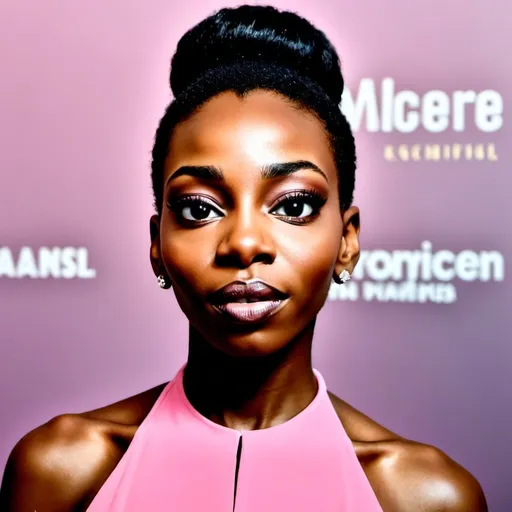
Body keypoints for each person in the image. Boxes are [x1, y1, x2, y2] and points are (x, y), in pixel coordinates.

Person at [0, 5, 487, 511]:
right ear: (157, 245)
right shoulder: (61, 469)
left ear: (347, 240)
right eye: (198, 208)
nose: (244, 243)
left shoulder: (426, 497)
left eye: (294, 206)